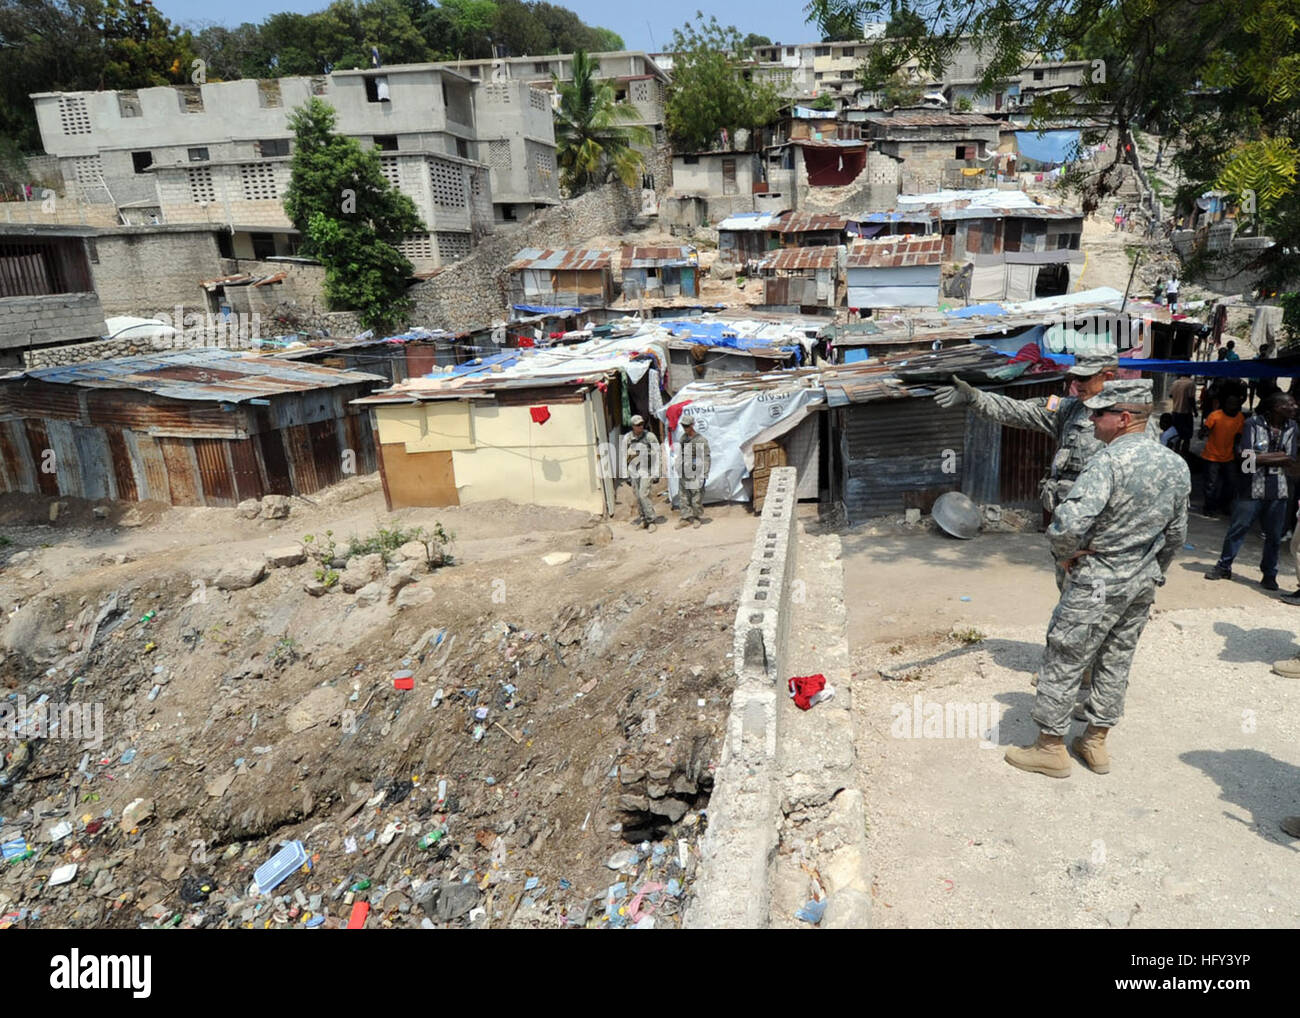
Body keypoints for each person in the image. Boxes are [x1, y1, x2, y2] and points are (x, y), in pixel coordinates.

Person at [1004, 380, 1190, 778]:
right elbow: (1177, 534)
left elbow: (1068, 523)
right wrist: (1156, 570)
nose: (1091, 418)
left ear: (1124, 419)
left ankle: (1050, 747)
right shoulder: (1175, 464)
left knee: (1066, 654)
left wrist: (1065, 554)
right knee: (1116, 659)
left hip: (1098, 580)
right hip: (1141, 581)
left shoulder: (1107, 463)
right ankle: (1095, 740)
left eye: (1099, 413)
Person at [935, 351, 1162, 589]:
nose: (1077, 384)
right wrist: (974, 397)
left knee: (1095, 609)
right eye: (1075, 378)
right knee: (1071, 600)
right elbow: (1020, 411)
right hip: (1070, 536)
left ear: (1107, 376)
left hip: (1107, 542)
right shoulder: (1069, 409)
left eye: (1084, 379)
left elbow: (1149, 492)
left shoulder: (1135, 421)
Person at [1204, 392, 1298, 589]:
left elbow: (1292, 461)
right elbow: (1246, 461)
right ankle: (1224, 566)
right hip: (1250, 488)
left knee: (1273, 536)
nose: (1294, 407)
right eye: (1289, 404)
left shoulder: (1293, 427)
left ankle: (1269, 574)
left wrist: (1264, 456)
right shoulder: (1253, 424)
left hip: (1278, 490)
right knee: (1238, 529)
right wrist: (1280, 457)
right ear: (1275, 407)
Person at [1198, 392, 1245, 516]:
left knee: (1231, 484)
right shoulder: (1215, 415)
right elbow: (1206, 428)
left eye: (1235, 404)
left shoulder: (1240, 417)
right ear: (1225, 404)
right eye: (1230, 404)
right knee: (1211, 484)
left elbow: (1238, 437)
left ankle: (1224, 505)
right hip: (1211, 456)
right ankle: (1209, 508)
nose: (1232, 407)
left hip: (1229, 456)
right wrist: (1204, 431)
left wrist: (1239, 454)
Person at [675, 413, 711, 529]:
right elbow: (680, 453)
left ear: (692, 425)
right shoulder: (683, 438)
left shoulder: (701, 440)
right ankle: (686, 517)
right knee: (683, 495)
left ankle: (696, 517)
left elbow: (706, 457)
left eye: (687, 426)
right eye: (683, 426)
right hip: (685, 470)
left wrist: (704, 475)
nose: (685, 428)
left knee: (696, 495)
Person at [624, 414, 658, 532]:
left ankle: (651, 520)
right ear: (633, 426)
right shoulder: (627, 438)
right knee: (638, 496)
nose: (640, 426)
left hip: (646, 469)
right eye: (638, 425)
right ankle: (643, 520)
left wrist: (656, 473)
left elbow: (657, 455)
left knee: (644, 494)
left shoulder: (650, 437)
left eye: (642, 424)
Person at [1168, 374, 1196, 455]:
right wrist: (1195, 410)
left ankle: (1176, 453)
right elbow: (1191, 399)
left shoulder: (1175, 383)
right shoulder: (1191, 383)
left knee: (1177, 435)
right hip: (1186, 413)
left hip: (1175, 412)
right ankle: (1185, 454)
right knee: (1187, 437)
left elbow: (1170, 395)